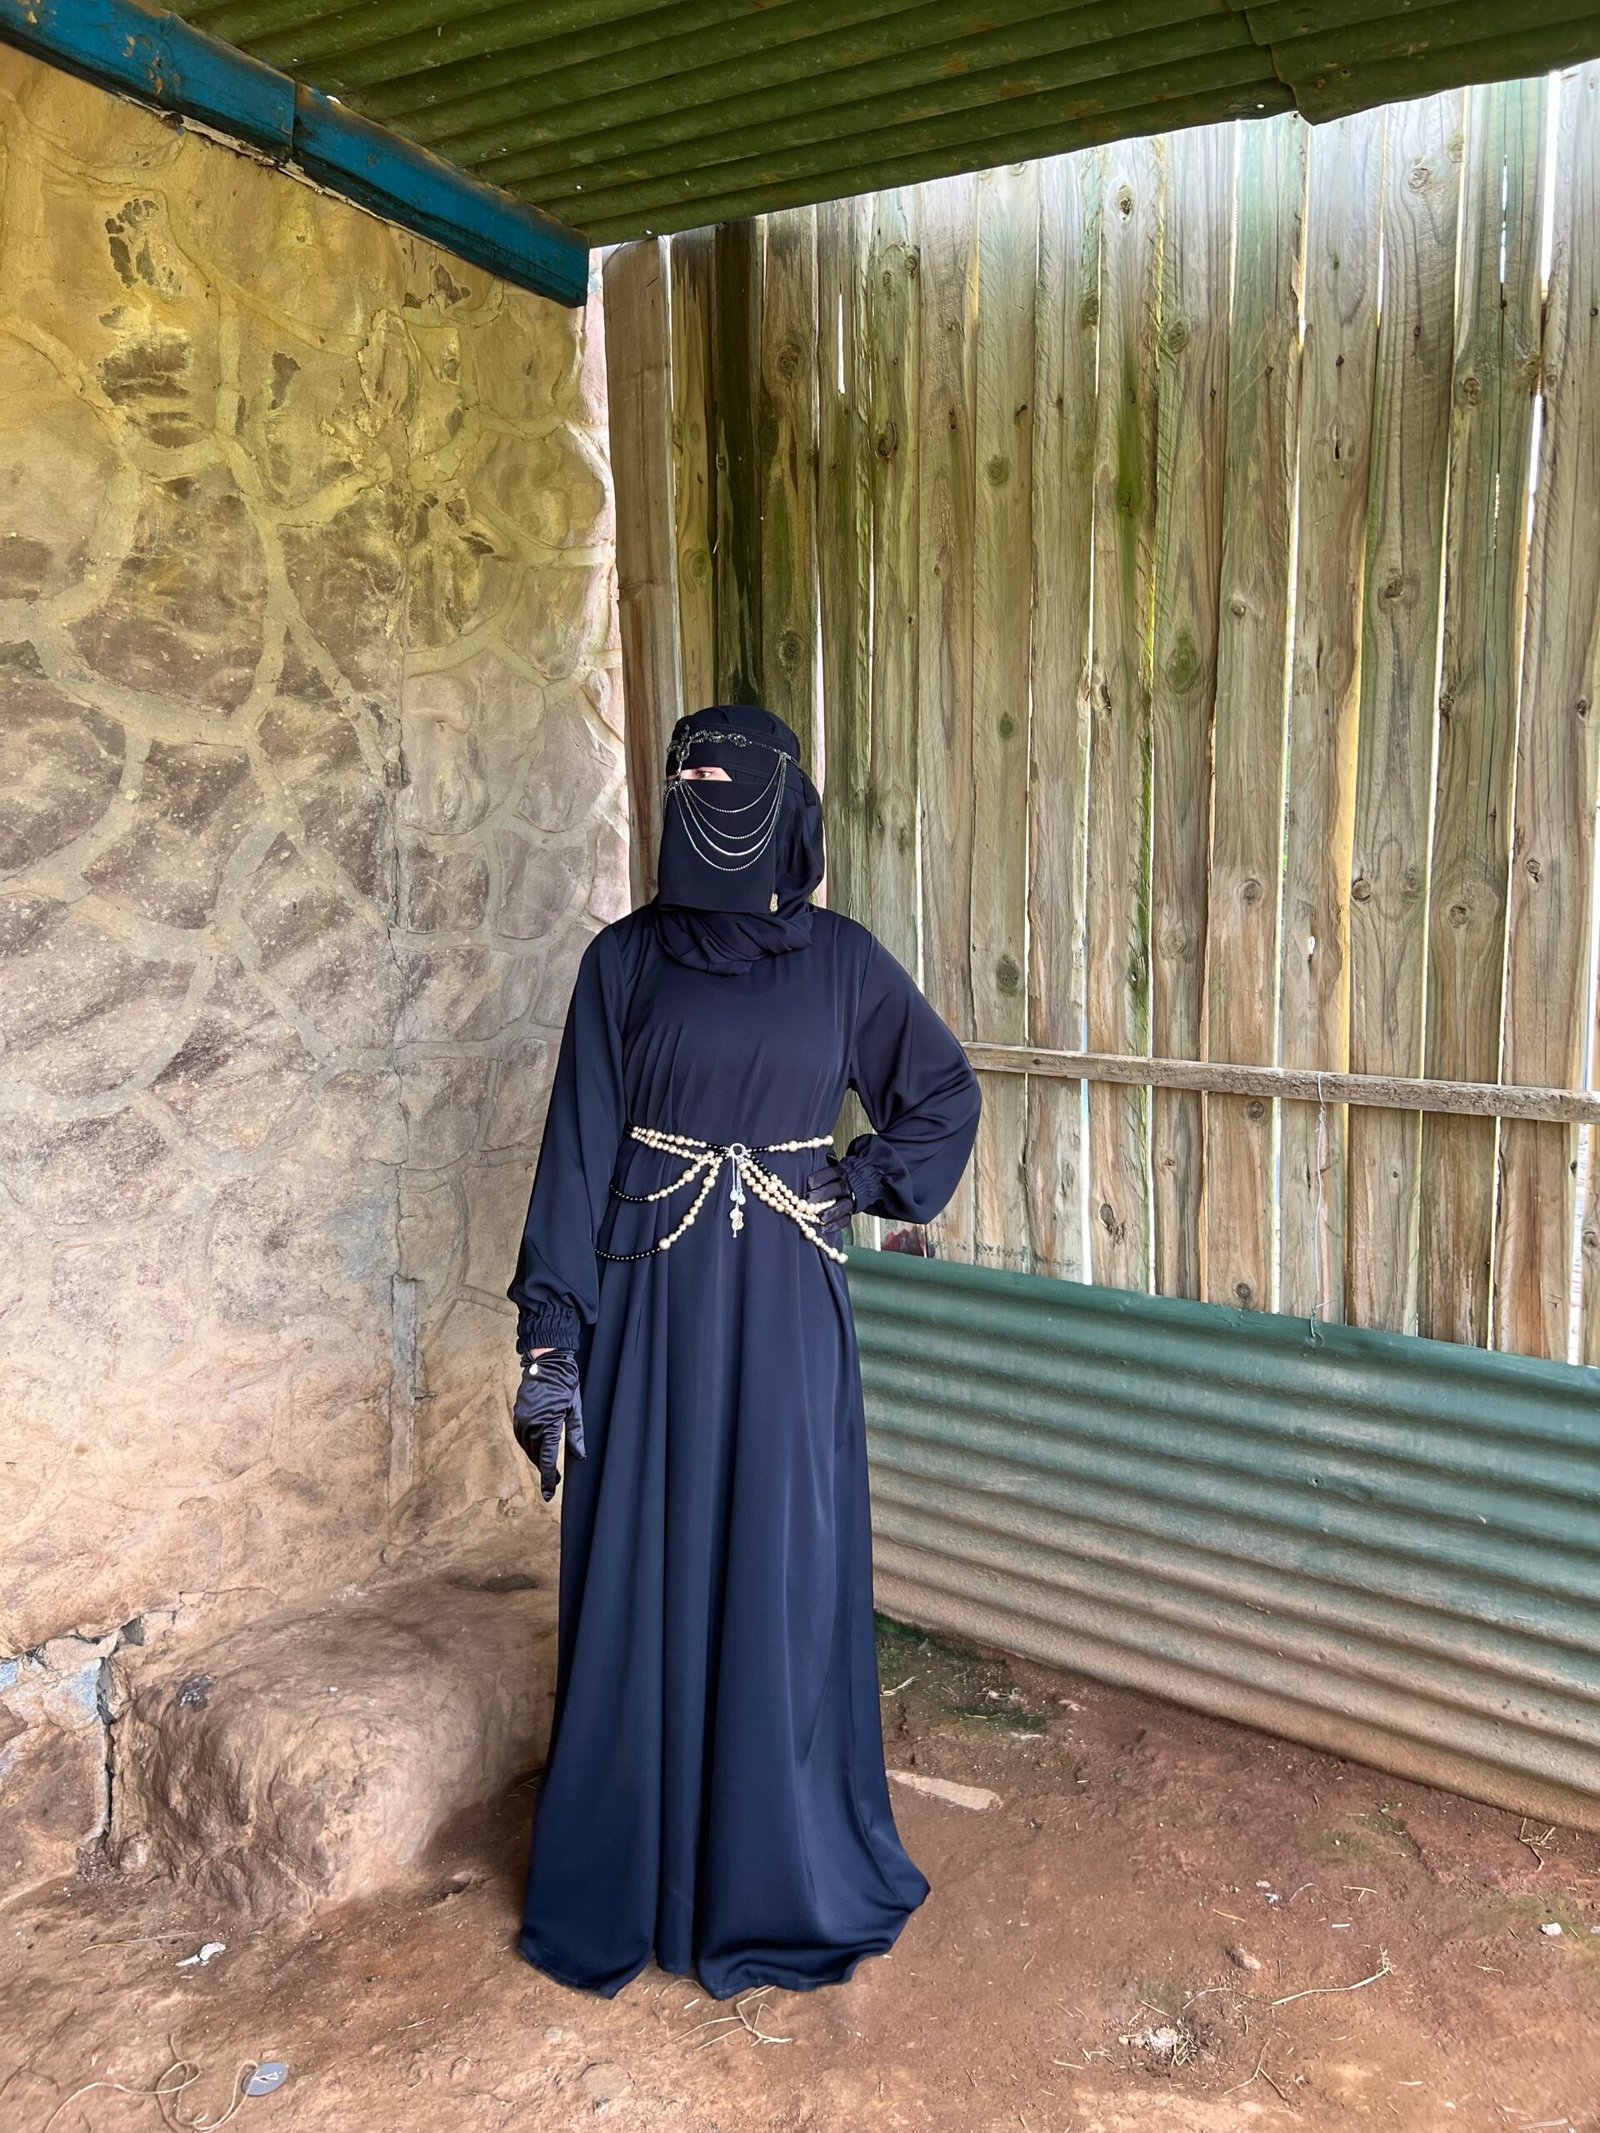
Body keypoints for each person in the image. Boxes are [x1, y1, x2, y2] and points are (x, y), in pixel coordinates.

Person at [505, 702, 982, 2000]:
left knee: (776, 1562)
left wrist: (858, 1178)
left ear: (785, 803)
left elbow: (943, 1094)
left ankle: (773, 1870)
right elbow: (575, 1154)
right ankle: (640, 1875)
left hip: (782, 1310)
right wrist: (551, 1341)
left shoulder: (843, 964)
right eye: (685, 777)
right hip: (647, 1310)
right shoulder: (622, 964)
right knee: (642, 1572)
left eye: (728, 777)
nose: (702, 794)